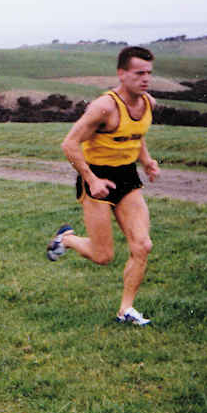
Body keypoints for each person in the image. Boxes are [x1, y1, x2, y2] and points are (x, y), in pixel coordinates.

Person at [46, 46, 161, 326]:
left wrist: (146, 161)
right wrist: (92, 180)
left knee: (142, 245)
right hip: (96, 178)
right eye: (138, 73)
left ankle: (126, 310)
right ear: (122, 74)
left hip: (126, 177)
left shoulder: (149, 103)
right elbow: (69, 144)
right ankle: (67, 239)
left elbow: (137, 135)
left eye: (148, 73)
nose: (145, 79)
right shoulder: (103, 107)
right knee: (103, 256)